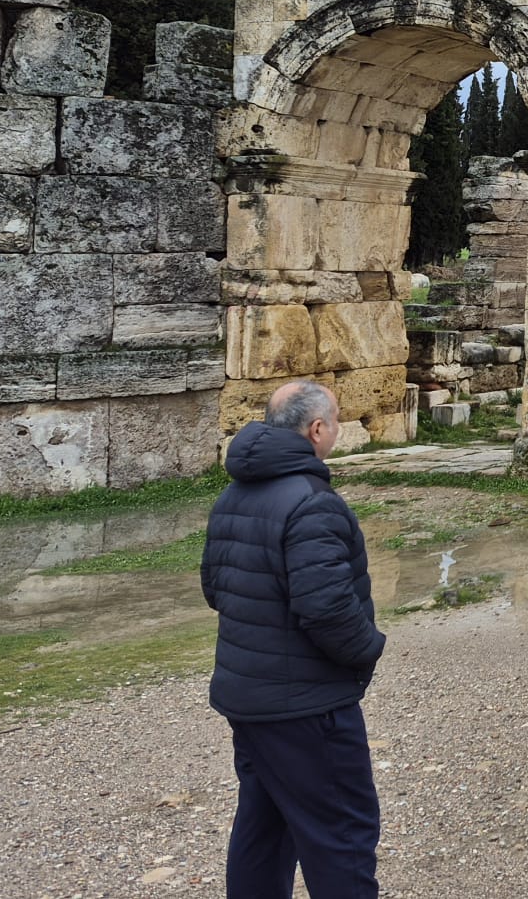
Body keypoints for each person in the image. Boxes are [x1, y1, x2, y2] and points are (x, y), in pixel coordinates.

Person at [199, 380, 385, 898]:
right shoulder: (311, 501)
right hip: (307, 704)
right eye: (337, 419)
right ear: (317, 429)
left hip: (249, 698)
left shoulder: (234, 494)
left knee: (265, 828)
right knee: (342, 834)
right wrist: (367, 651)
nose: (338, 428)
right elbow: (327, 609)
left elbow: (215, 587)